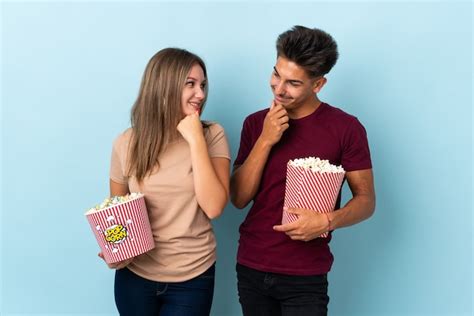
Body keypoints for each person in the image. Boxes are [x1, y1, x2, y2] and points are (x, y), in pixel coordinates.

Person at [230, 26, 376, 316]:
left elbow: (366, 201)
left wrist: (326, 221)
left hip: (305, 273)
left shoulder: (346, 128)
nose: (279, 89)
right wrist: (265, 139)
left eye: (293, 83)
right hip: (252, 265)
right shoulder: (255, 123)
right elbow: (239, 198)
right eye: (276, 75)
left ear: (318, 84)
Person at [100, 48, 231, 316]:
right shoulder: (126, 142)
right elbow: (117, 213)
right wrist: (116, 249)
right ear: (164, 86)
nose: (201, 94)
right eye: (191, 84)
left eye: (203, 85)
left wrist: (195, 139)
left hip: (192, 277)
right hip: (135, 277)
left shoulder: (211, 135)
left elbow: (214, 207)